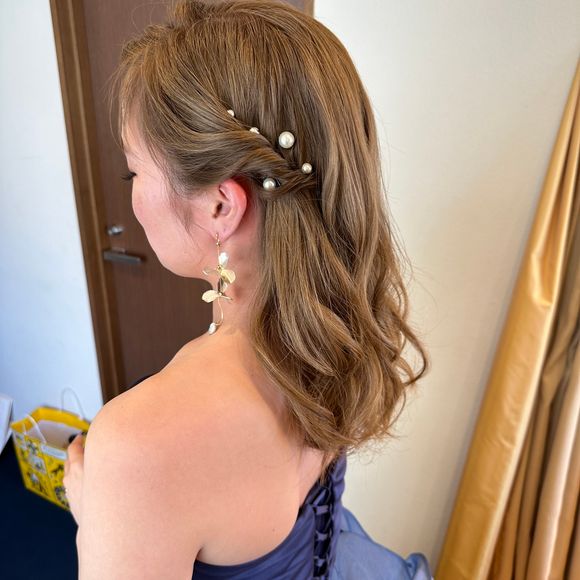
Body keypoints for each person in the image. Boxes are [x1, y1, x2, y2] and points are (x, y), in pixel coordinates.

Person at [64, 1, 433, 578]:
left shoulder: (139, 447)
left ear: (220, 205)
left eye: (134, 171)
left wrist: (96, 519)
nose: (130, 194)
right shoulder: (333, 322)